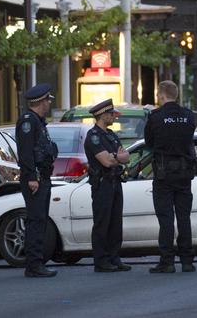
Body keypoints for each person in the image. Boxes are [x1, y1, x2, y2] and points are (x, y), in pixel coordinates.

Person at [144, 80, 197, 273]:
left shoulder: (156, 116)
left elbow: (149, 142)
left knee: (166, 218)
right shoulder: (188, 116)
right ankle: (187, 261)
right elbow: (190, 137)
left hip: (164, 173)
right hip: (184, 173)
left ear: (161, 95)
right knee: (184, 217)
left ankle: (167, 261)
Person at [15, 83, 59, 278]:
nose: (49, 104)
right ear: (41, 101)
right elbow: (25, 153)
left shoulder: (38, 122)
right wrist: (32, 177)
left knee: (40, 220)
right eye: (47, 101)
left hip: (42, 177)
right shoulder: (28, 121)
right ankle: (34, 264)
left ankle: (37, 262)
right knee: (35, 220)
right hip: (36, 179)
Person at [84, 99, 132, 273]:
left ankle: (114, 257)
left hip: (115, 182)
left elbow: (126, 156)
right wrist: (116, 157)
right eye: (111, 114)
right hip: (102, 184)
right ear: (103, 115)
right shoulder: (94, 136)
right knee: (102, 222)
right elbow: (105, 161)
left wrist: (116, 157)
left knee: (115, 222)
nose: (114, 117)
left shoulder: (111, 135)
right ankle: (101, 260)